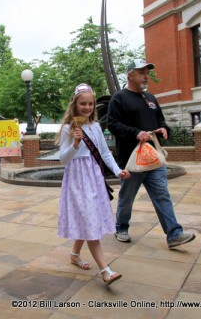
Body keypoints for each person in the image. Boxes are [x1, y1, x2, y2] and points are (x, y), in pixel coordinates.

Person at [107, 59, 196, 249]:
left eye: (146, 72)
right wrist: (135, 132)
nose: (145, 76)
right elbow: (112, 124)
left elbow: (161, 121)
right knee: (127, 197)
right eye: (141, 72)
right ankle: (121, 227)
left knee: (162, 195)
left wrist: (164, 129)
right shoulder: (119, 98)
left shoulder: (151, 98)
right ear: (130, 75)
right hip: (132, 160)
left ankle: (174, 234)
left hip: (154, 159)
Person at [56, 83, 131, 285]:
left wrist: (118, 170)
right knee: (89, 221)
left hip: (94, 177)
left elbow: (105, 153)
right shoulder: (67, 129)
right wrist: (75, 144)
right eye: (83, 103)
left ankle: (74, 254)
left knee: (87, 219)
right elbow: (63, 159)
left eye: (90, 104)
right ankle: (105, 270)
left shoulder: (96, 127)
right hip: (77, 179)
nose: (87, 107)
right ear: (75, 104)